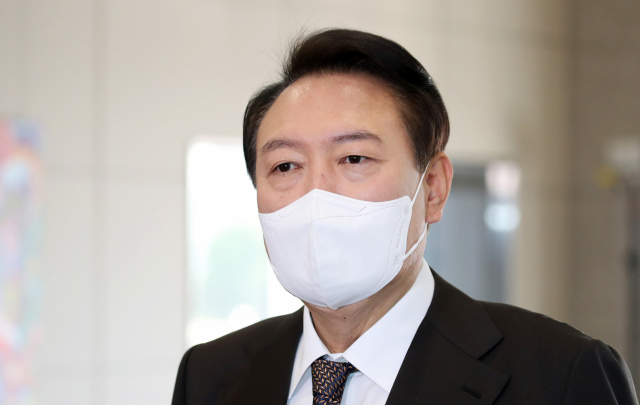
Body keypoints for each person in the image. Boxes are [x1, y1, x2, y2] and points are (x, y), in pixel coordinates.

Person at [171, 28, 638, 405]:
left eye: (354, 158)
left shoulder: (560, 375)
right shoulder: (210, 376)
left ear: (433, 188)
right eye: (285, 166)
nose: (316, 194)